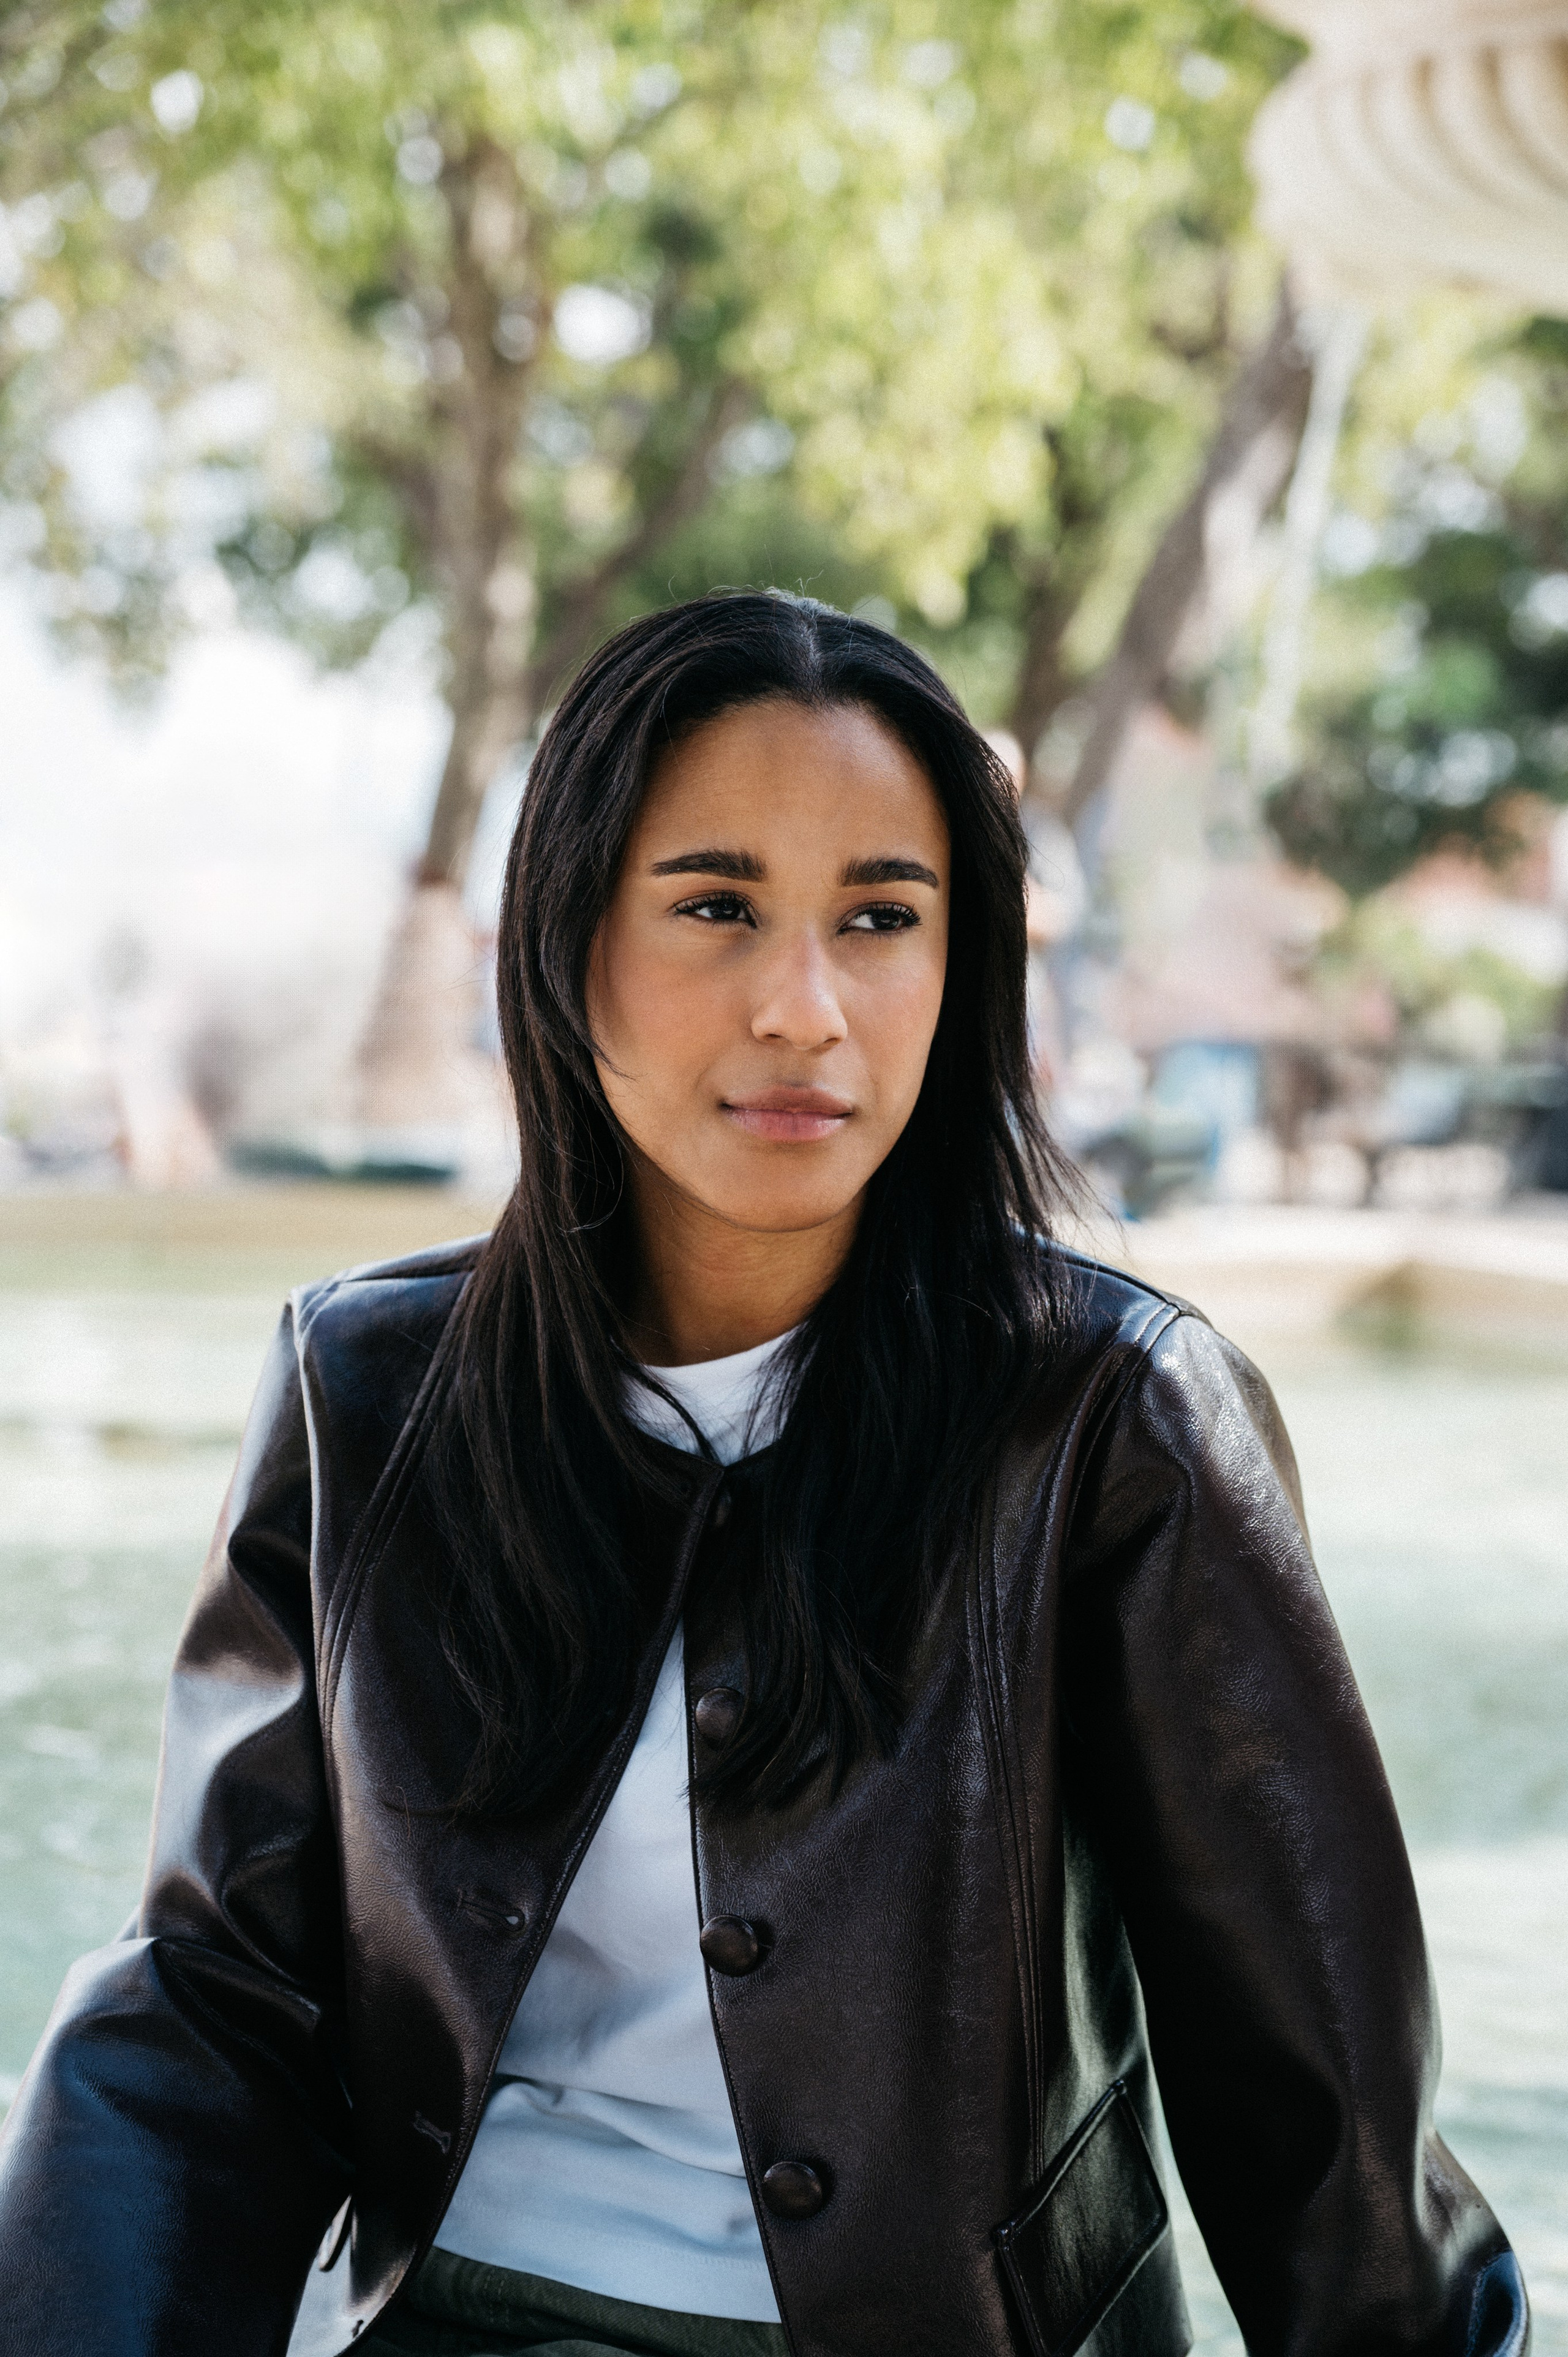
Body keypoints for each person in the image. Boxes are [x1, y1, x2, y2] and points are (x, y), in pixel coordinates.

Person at [0, 593, 1526, 2357]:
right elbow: (216, 1998)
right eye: (716, 907)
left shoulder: (1114, 1425)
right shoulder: (365, 1391)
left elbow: (1320, 2126)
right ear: (570, 944)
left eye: (881, 917)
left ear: (962, 976)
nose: (806, 1007)